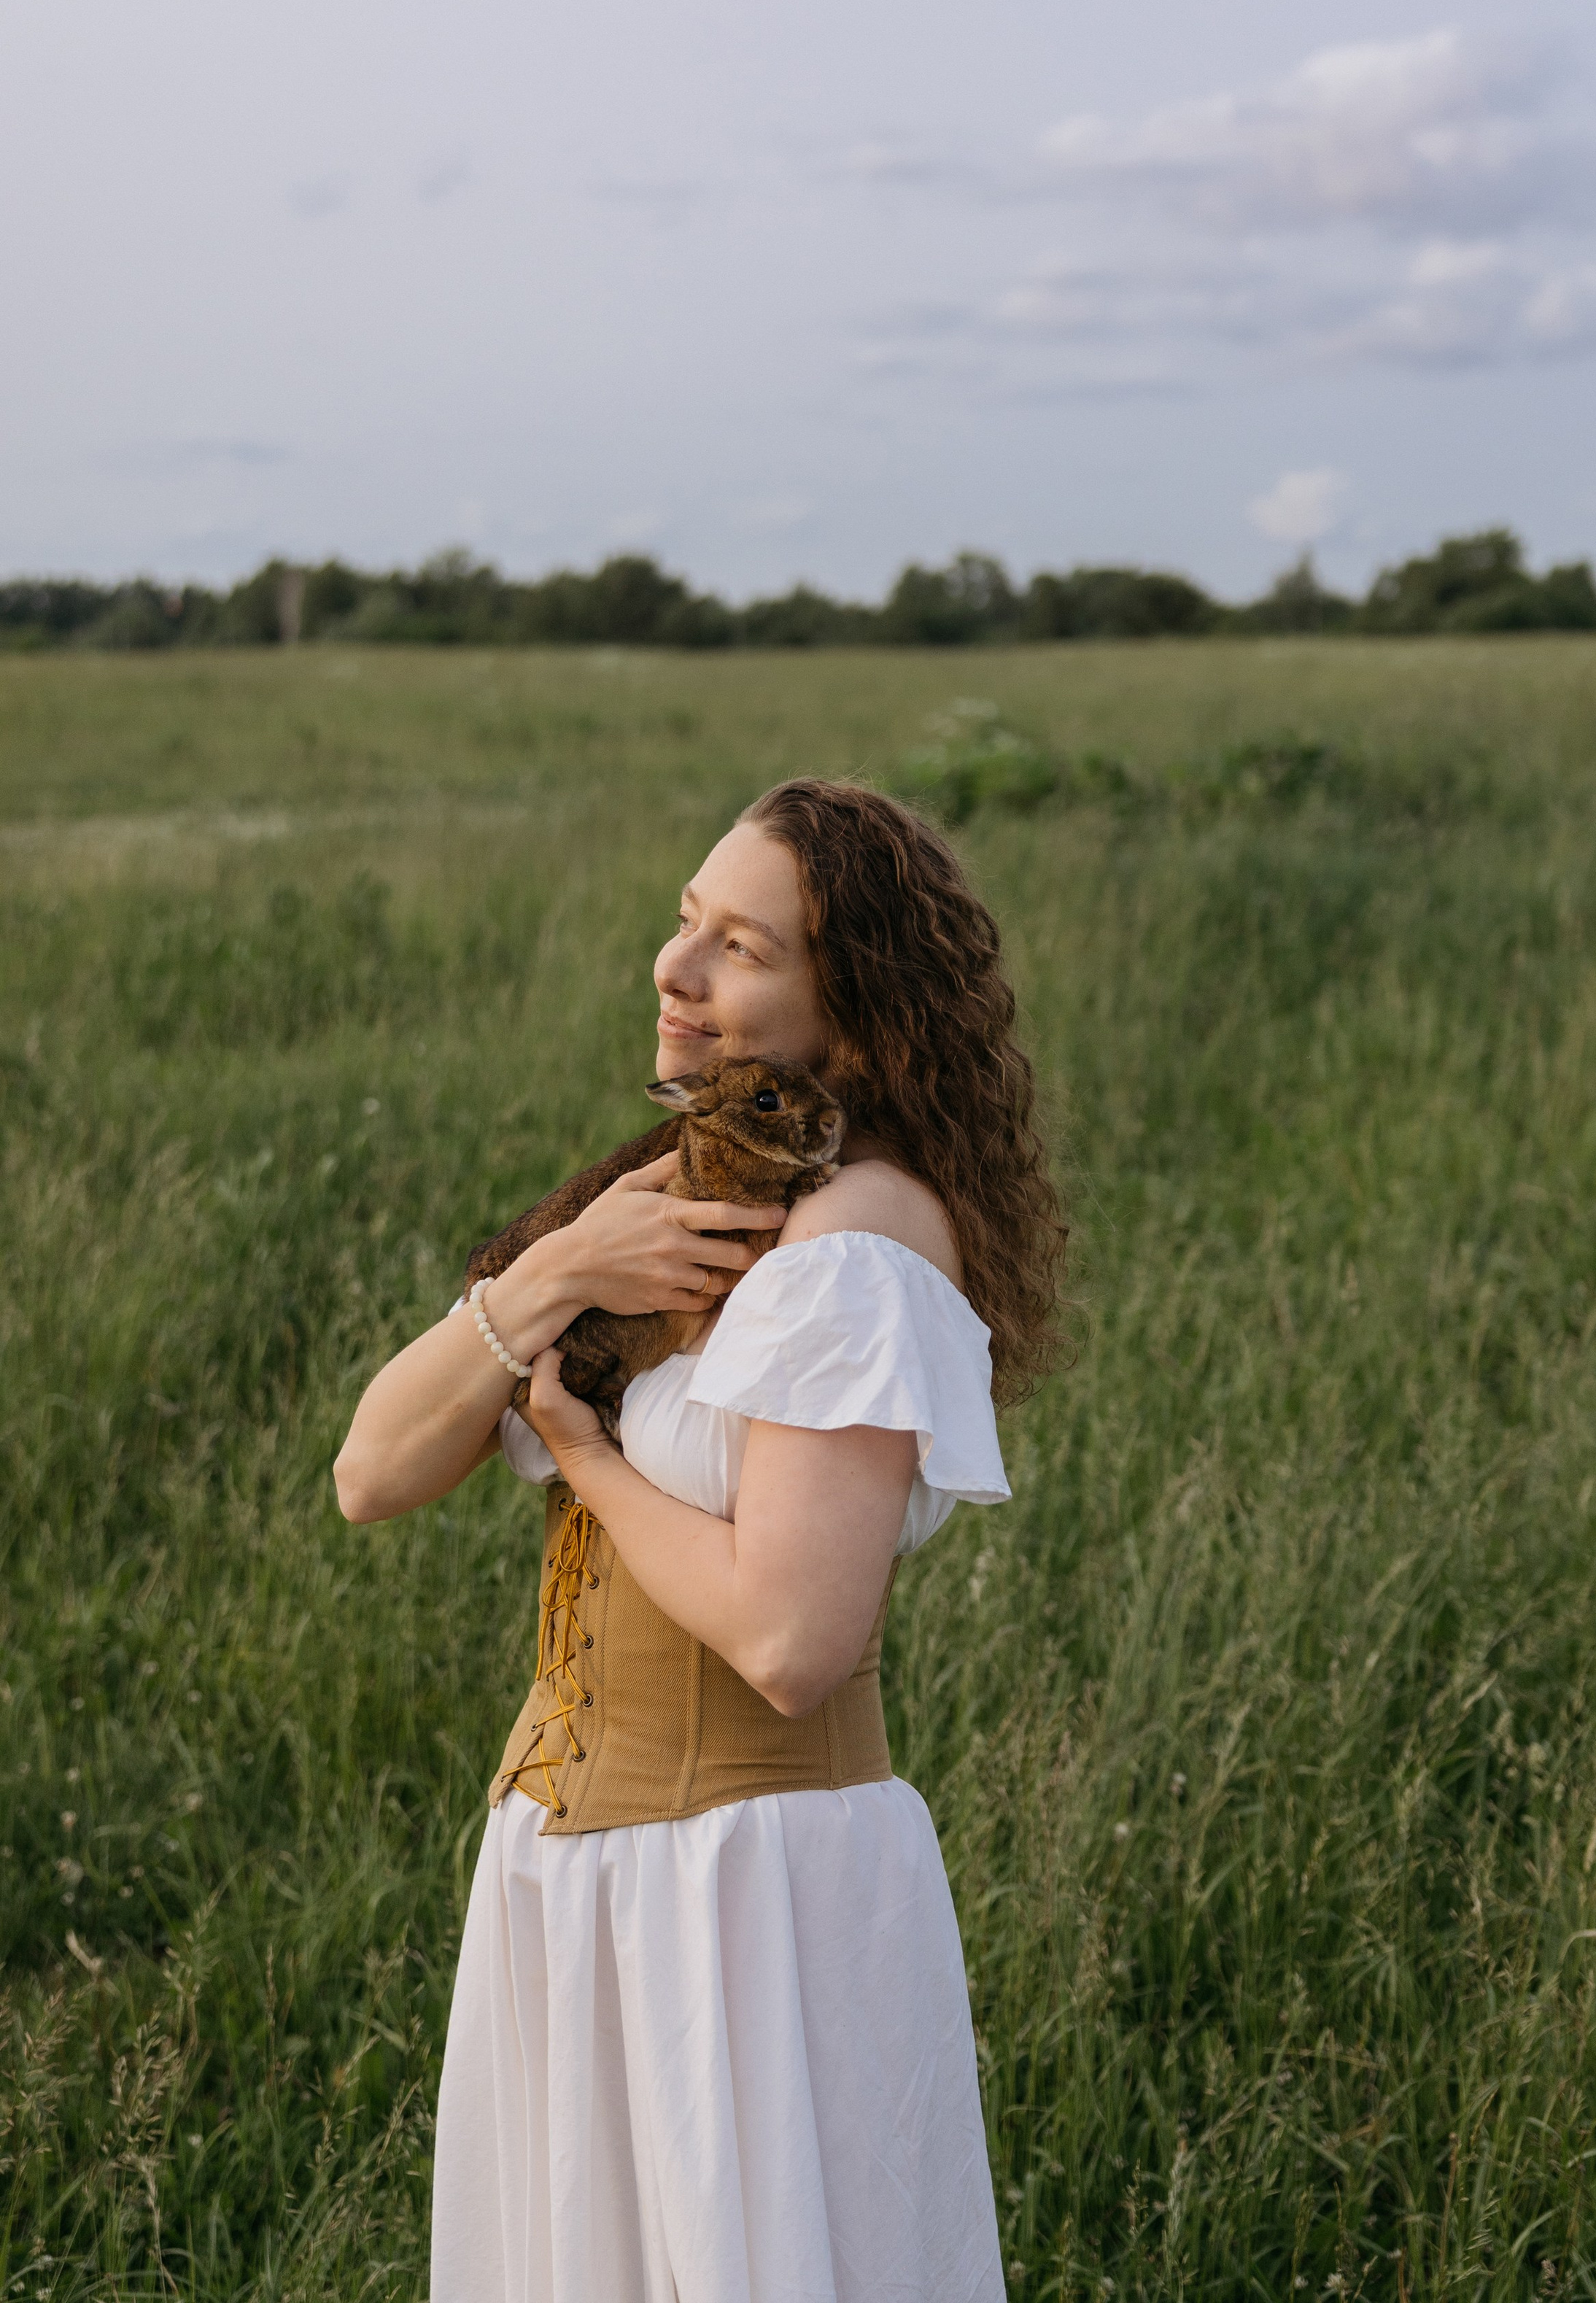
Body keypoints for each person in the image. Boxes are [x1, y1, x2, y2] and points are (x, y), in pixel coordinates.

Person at [334, 777, 1067, 2303]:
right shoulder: (660, 1200)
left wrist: (588, 1457)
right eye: (686, 921)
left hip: (745, 1899)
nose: (674, 969)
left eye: (740, 947)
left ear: (853, 1014)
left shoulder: (855, 1244)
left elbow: (792, 1642)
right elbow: (372, 1472)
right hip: (574, 1886)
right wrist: (553, 1273)